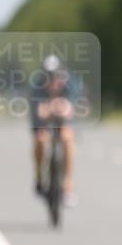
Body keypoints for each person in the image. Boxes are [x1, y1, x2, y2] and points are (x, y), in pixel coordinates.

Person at [31, 55, 77, 204]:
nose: (51, 80)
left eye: (54, 76)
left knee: (67, 137)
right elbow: (40, 112)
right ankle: (39, 177)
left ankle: (67, 184)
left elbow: (70, 110)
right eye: (48, 76)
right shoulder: (36, 86)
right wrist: (52, 108)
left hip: (62, 121)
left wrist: (56, 108)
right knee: (40, 138)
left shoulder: (69, 84)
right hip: (42, 122)